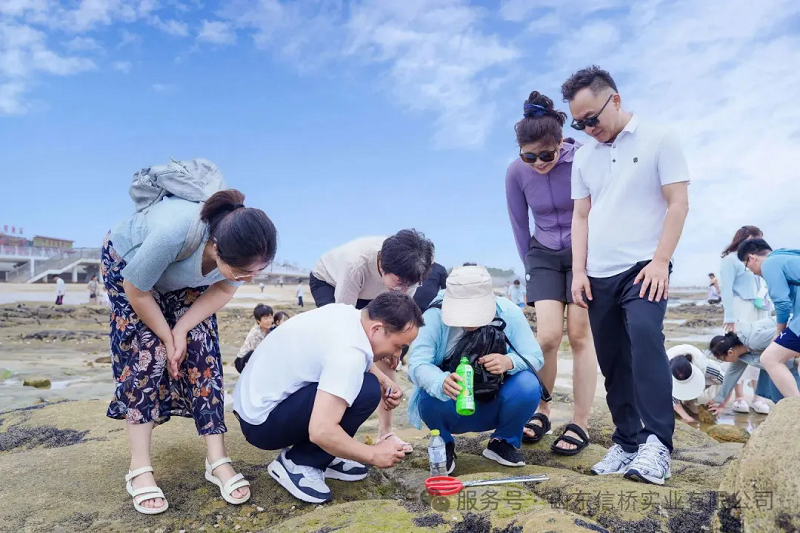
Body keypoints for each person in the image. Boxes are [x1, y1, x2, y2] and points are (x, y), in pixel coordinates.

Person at [103, 188, 277, 514]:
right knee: (149, 350)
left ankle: (217, 459)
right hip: (130, 268)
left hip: (179, 274)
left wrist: (181, 329)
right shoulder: (172, 233)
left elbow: (223, 289)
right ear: (216, 249)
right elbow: (137, 291)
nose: (249, 279)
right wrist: (168, 338)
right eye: (243, 273)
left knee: (202, 347)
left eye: (257, 272)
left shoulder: (243, 250)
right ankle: (139, 467)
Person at [564, 65, 690, 485]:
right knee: (613, 359)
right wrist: (578, 272)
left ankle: (658, 444)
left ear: (614, 100)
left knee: (646, 340)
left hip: (644, 267)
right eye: (578, 124)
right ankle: (627, 441)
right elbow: (581, 217)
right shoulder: (584, 157)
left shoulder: (660, 138)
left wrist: (660, 260)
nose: (587, 129)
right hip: (598, 273)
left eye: (591, 119)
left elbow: (677, 203)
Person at [233, 292, 420, 503]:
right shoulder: (349, 352)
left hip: (254, 405)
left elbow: (347, 355)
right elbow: (321, 430)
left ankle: (324, 455)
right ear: (376, 329)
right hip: (262, 425)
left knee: (368, 384)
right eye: (398, 346)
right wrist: (373, 454)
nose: (397, 355)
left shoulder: (347, 315)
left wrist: (384, 380)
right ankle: (299, 463)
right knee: (367, 390)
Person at [505, 90, 598, 456]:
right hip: (542, 254)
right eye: (529, 156)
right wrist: (530, 265)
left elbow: (597, 210)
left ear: (561, 143)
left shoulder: (583, 159)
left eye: (546, 154)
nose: (539, 163)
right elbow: (519, 224)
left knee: (579, 335)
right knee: (546, 338)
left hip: (583, 253)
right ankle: (542, 410)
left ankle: (580, 421)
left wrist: (591, 262)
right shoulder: (516, 173)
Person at [407, 266, 544, 472]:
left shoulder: (508, 312)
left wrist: (509, 362)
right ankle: (444, 444)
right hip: (451, 404)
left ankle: (503, 441)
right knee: (428, 395)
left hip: (495, 400)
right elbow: (417, 364)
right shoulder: (434, 316)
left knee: (529, 385)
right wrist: (440, 381)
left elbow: (536, 357)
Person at [309, 230, 434, 453]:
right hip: (330, 282)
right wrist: (372, 364)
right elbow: (345, 324)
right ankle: (329, 426)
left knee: (387, 352)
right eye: (400, 282)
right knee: (345, 350)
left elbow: (399, 320)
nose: (404, 289)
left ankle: (386, 432)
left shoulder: (410, 271)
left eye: (410, 284)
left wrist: (395, 351)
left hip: (374, 293)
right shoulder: (356, 263)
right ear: (383, 266)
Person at [737, 239, 800, 398]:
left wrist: (779, 332)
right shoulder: (786, 256)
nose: (752, 272)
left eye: (747, 266)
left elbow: (782, 303)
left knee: (770, 358)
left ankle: (795, 407)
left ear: (751, 258)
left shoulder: (770, 264)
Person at [719, 226, 770, 412]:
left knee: (761, 350)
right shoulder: (731, 260)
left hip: (759, 308)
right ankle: (739, 397)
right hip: (740, 307)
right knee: (737, 348)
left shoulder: (758, 259)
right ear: (746, 238)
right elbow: (726, 289)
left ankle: (758, 397)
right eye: (756, 239)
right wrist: (729, 315)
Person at [707, 317, 799, 414]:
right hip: (784, 361)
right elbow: (731, 376)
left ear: (730, 352)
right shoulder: (740, 355)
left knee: (785, 392)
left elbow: (786, 332)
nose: (724, 362)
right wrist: (718, 400)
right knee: (777, 394)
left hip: (795, 337)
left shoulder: (754, 340)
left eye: (722, 359)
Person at [668, 345, 723, 423]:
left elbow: (727, 381)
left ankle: (690, 400)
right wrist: (686, 416)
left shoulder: (705, 366)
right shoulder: (663, 370)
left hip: (703, 370)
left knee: (719, 380)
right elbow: (668, 393)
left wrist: (721, 402)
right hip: (668, 373)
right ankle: (686, 401)